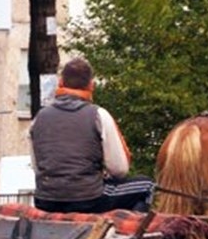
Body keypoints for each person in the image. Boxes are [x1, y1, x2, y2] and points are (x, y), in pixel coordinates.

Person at [29, 57, 154, 214]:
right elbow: (119, 169)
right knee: (147, 186)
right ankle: (129, 231)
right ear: (91, 85)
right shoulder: (98, 115)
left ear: (60, 83)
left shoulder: (39, 118)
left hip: (45, 200)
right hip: (88, 199)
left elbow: (36, 166)